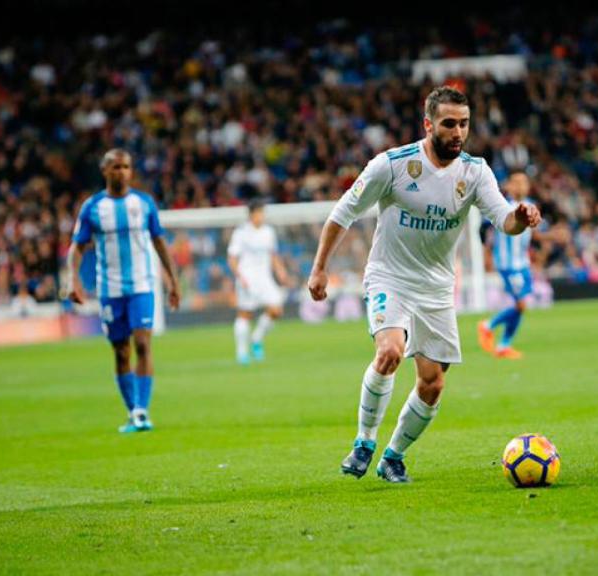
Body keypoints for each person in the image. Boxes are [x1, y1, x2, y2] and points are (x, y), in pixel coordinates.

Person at [307, 86, 542, 483]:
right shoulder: (393, 165)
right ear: (429, 124)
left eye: (464, 124)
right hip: (389, 276)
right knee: (390, 352)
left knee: (432, 383)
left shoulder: (475, 172)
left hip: (435, 287)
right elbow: (342, 213)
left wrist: (521, 216)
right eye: (449, 123)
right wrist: (319, 269)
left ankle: (393, 456)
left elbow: (504, 220)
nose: (458, 132)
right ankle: (364, 443)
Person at [66, 149, 181, 433]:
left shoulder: (143, 203)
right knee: (120, 352)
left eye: (126, 166)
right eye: (115, 166)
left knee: (143, 344)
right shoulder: (92, 207)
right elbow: (77, 248)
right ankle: (132, 411)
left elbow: (159, 242)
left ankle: (142, 411)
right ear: (105, 170)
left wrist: (173, 280)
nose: (121, 171)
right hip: (110, 288)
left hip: (142, 284)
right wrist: (73, 280)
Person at [478, 171, 537, 359]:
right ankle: (488, 326)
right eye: (516, 182)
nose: (521, 186)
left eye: (524, 182)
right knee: (521, 304)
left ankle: (504, 346)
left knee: (521, 305)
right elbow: (483, 227)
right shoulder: (502, 206)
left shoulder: (530, 205)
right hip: (507, 262)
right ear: (509, 186)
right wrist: (486, 252)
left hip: (523, 263)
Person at [227, 198, 288, 364]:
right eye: (259, 213)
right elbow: (232, 258)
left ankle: (256, 338)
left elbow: (273, 255)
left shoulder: (268, 232)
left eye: (263, 213)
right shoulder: (241, 233)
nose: (262, 216)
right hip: (247, 278)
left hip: (265, 278)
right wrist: (240, 277)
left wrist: (280, 270)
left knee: (276, 310)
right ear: (252, 214)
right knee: (245, 314)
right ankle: (242, 352)